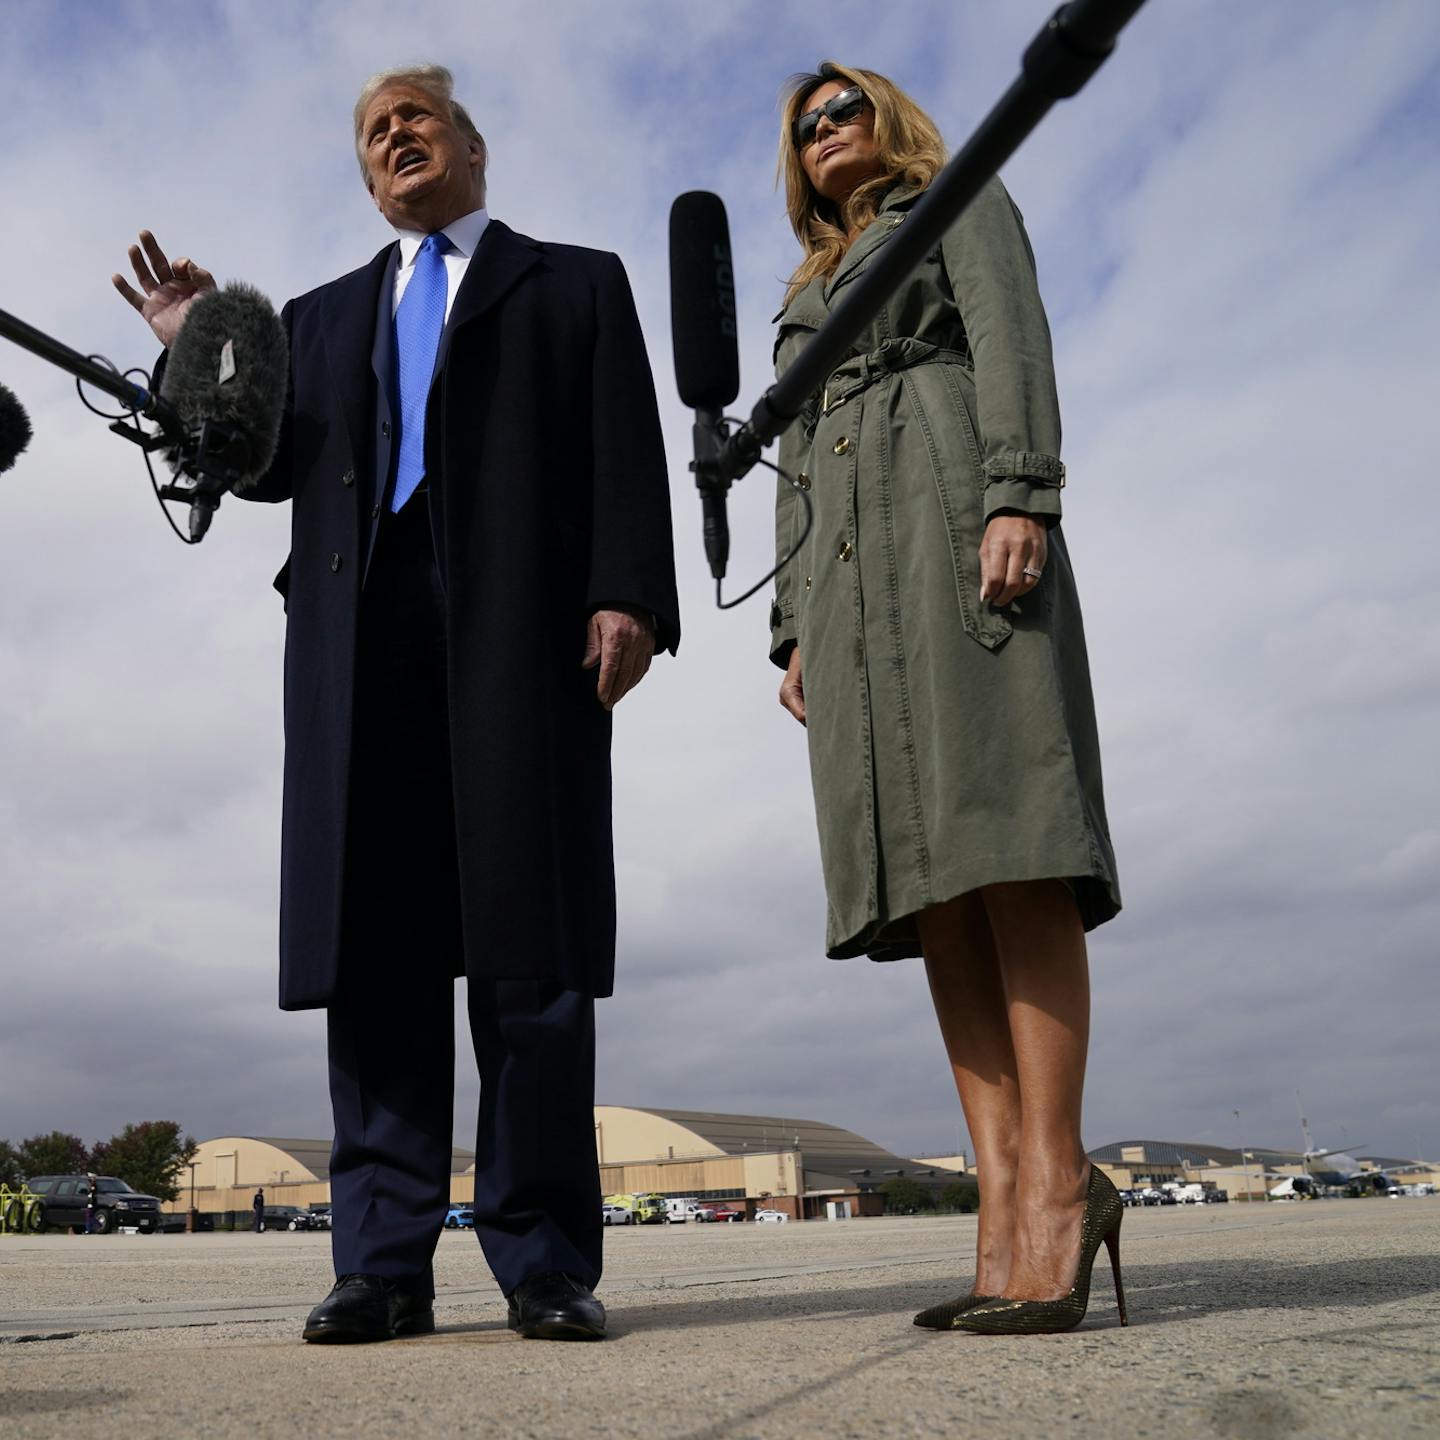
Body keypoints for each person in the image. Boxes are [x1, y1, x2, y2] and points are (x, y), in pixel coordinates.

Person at [112, 64, 677, 1345]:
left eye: (415, 116)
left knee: (529, 959)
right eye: (374, 134)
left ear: (471, 145)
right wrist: (196, 347)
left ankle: (542, 1262)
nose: (395, 135)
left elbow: (622, 444)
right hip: (359, 648)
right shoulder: (315, 318)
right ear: (368, 184)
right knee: (377, 956)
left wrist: (630, 594)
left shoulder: (575, 281)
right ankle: (381, 1265)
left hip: (522, 640)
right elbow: (248, 465)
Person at [767, 66, 1124, 1335]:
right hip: (851, 587)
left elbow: (1011, 332)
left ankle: (1061, 1184)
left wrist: (1021, 488)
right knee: (933, 888)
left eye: (843, 108)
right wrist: (794, 624)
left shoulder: (956, 195)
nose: (826, 133)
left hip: (954, 518)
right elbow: (794, 459)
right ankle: (1000, 1199)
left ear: (889, 118)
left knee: (1008, 841)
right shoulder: (802, 292)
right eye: (806, 128)